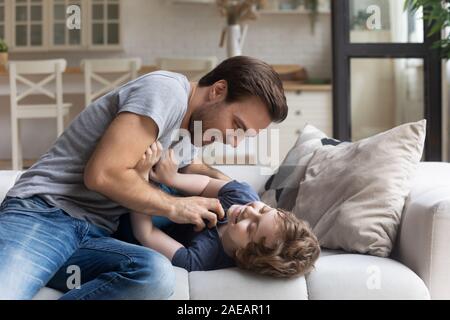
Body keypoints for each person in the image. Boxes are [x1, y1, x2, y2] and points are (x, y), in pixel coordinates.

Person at [0, 56, 288, 299]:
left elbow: (194, 168)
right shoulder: (166, 92)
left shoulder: (192, 132)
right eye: (236, 126)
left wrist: (246, 196)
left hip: (96, 234)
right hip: (46, 214)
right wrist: (175, 206)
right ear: (218, 90)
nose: (233, 142)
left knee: (155, 274)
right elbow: (102, 174)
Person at [128, 143, 320, 277]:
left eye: (252, 227)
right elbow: (206, 184)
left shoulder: (203, 259)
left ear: (246, 255)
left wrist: (141, 180)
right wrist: (171, 178)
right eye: (264, 210)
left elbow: (146, 233)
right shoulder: (244, 196)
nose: (249, 212)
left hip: (140, 219)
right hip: (173, 197)